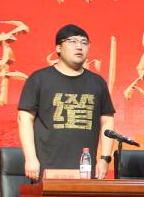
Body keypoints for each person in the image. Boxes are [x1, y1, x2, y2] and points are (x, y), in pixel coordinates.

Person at [17, 24, 115, 180]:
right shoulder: (39, 79)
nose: (79, 47)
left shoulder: (97, 82)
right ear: (58, 48)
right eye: (72, 41)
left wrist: (104, 159)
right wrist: (30, 158)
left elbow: (107, 121)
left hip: (85, 168)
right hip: (46, 168)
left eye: (84, 42)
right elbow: (24, 119)